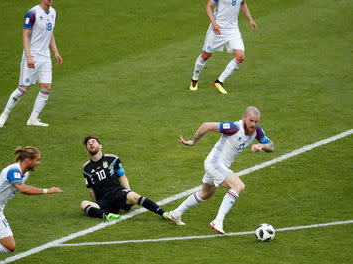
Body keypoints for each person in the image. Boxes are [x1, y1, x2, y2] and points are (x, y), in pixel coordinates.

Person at [167, 106, 274, 234]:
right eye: (251, 121)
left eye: (256, 122)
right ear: (243, 117)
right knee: (238, 186)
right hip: (214, 163)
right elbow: (206, 125)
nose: (253, 124)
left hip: (220, 165)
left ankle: (175, 213)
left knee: (206, 193)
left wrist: (261, 145)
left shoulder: (257, 131)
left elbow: (271, 146)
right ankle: (218, 221)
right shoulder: (234, 128)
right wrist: (193, 141)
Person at [0, 0, 63, 128]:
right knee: (23, 89)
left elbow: (50, 33)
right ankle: (4, 114)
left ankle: (33, 118)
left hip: (45, 57)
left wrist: (56, 52)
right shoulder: (33, 13)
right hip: (32, 56)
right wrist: (29, 56)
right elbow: (25, 35)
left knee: (46, 87)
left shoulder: (54, 12)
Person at [81, 136, 169, 222]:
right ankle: (108, 215)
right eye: (88, 144)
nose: (90, 144)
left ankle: (164, 214)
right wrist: (96, 203)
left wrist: (128, 191)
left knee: (134, 196)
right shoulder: (86, 168)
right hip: (104, 200)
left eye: (93, 141)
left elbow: (123, 177)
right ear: (87, 149)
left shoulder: (113, 159)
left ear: (100, 146)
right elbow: (91, 189)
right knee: (83, 204)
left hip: (118, 193)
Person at [189, 0, 256, 94]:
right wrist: (214, 23)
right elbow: (208, 7)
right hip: (217, 28)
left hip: (233, 30)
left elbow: (242, 3)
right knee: (205, 56)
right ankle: (194, 79)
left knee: (240, 57)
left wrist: (250, 19)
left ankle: (219, 81)